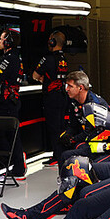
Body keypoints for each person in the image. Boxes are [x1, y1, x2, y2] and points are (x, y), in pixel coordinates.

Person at [0, 80, 110, 219]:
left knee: (75, 176)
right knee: (73, 174)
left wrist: (103, 146)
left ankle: (30, 216)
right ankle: (33, 214)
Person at [0, 27, 27, 180]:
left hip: (6, 102)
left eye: (1, 39)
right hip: (12, 100)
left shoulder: (8, 59)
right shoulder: (17, 57)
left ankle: (19, 167)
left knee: (10, 136)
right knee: (12, 135)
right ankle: (17, 164)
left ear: (8, 42)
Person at [56, 70, 110, 162]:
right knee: (60, 143)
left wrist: (73, 139)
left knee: (66, 154)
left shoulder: (94, 105)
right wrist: (68, 135)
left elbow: (91, 132)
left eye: (70, 86)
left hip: (100, 142)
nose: (67, 89)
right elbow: (73, 125)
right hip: (85, 137)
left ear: (80, 88)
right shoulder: (74, 102)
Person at [33, 29, 69, 163]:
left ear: (52, 42)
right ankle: (61, 154)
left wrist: (43, 80)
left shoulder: (47, 59)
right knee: (61, 127)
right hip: (63, 96)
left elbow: (35, 75)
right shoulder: (64, 59)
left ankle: (57, 156)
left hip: (52, 98)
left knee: (54, 128)